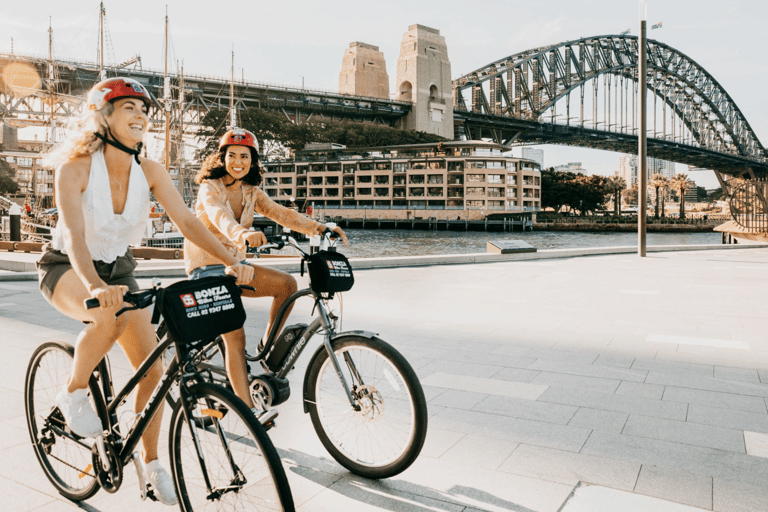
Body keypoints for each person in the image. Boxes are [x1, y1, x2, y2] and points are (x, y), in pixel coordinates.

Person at [37, 77, 254, 506]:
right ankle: (74, 391)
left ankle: (152, 466)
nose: (141, 116)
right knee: (106, 315)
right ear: (103, 115)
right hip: (66, 266)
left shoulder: (149, 171)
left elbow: (188, 224)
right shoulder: (75, 168)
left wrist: (231, 258)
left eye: (144, 109)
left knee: (153, 371)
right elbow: (76, 238)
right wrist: (97, 286)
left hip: (119, 270)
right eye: (129, 108)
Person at [184, 128, 347, 421]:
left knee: (287, 284)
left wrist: (320, 227)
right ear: (221, 158)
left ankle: (267, 347)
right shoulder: (210, 187)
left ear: (252, 161)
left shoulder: (250, 192)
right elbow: (219, 215)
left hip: (237, 268)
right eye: (231, 155)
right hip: (207, 268)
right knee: (235, 340)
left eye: (244, 156)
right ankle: (249, 413)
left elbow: (282, 214)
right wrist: (242, 233)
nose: (237, 161)